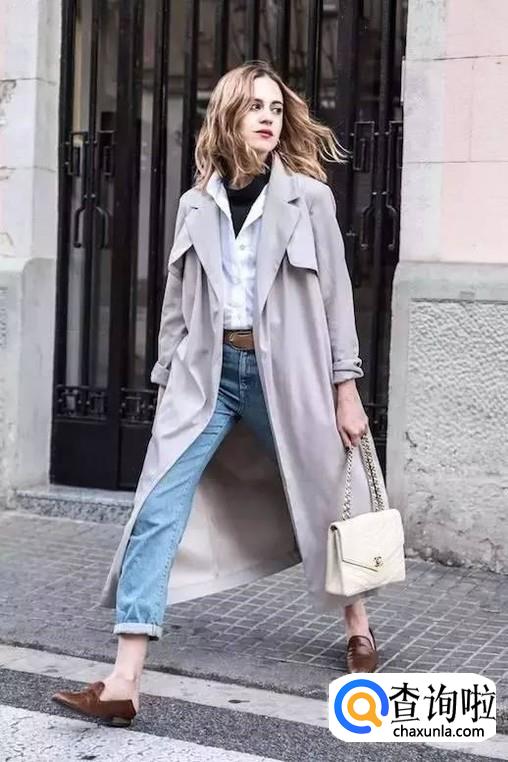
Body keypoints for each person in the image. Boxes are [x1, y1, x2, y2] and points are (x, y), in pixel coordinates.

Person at [52, 60, 378, 727]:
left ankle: (358, 624)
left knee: (324, 498)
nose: (268, 118)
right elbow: (177, 303)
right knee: (155, 509)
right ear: (229, 115)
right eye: (255, 106)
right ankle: (124, 680)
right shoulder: (196, 204)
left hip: (288, 375)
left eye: (276, 108)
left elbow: (336, 299)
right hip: (206, 376)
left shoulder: (309, 199)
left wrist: (346, 388)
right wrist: (167, 382)